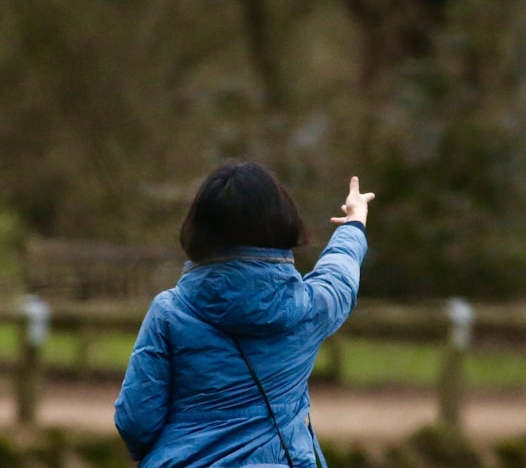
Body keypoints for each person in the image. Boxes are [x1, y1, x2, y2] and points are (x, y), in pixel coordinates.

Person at [115, 161, 374, 467]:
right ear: (282, 220)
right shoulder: (310, 307)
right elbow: (339, 275)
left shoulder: (169, 312)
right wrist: (354, 224)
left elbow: (136, 419)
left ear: (199, 227)